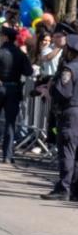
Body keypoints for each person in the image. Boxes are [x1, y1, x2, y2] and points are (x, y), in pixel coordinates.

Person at [0, 25, 33, 163]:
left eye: (1, 36)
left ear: (5, 37)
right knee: (10, 123)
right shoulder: (20, 54)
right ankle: (7, 155)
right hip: (14, 89)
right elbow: (29, 72)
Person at [41, 34, 78, 201]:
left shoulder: (69, 69)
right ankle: (75, 189)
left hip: (71, 112)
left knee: (67, 151)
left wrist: (49, 91)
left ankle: (64, 188)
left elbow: (64, 92)